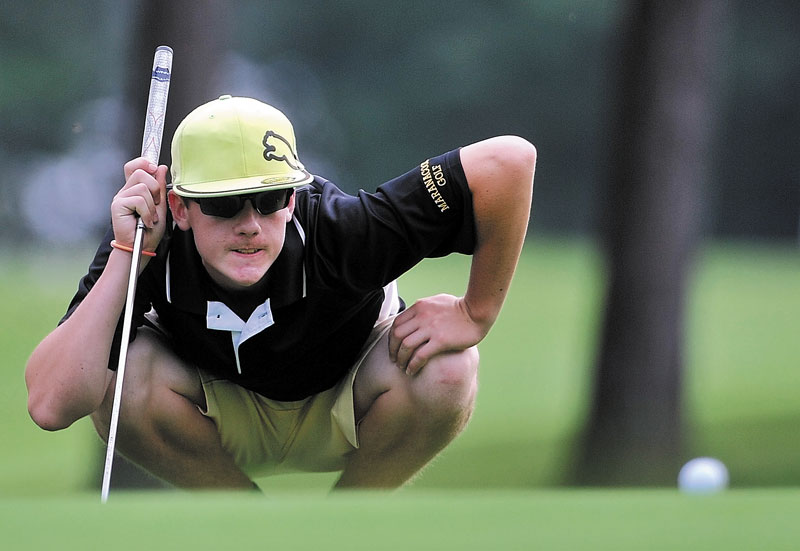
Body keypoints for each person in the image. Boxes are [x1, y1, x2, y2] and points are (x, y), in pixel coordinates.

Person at [25, 95, 536, 490]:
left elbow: (509, 162)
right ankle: (245, 530)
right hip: (211, 417)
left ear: (292, 199)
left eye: (269, 200)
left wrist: (477, 313)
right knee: (119, 380)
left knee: (450, 367)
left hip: (351, 399)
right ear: (180, 209)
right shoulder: (145, 240)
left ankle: (345, 531)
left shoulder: (342, 230)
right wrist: (127, 254)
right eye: (225, 205)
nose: (250, 225)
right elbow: (52, 404)